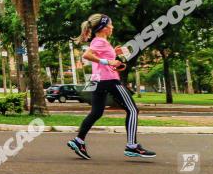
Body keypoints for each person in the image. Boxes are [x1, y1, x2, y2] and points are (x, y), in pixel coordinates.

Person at [66, 14, 155, 160]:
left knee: (96, 113)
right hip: (110, 81)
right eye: (110, 25)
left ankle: (78, 141)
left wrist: (115, 55)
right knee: (132, 110)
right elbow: (87, 55)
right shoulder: (99, 41)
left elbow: (103, 58)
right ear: (103, 28)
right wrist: (108, 62)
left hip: (100, 81)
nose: (112, 27)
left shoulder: (102, 42)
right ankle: (132, 146)